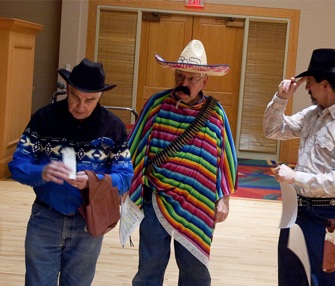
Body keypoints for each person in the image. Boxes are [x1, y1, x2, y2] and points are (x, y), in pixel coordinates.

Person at [8, 58, 134, 286]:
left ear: (101, 97)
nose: (81, 106)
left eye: (90, 100)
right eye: (75, 97)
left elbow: (125, 177)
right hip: (45, 217)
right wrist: (41, 171)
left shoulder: (113, 127)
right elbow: (17, 165)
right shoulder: (43, 119)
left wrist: (94, 181)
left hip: (88, 221)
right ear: (67, 89)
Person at [127, 39, 238, 286]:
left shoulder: (216, 113)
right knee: (149, 268)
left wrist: (224, 199)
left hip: (198, 204)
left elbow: (225, 157)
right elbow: (134, 147)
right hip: (156, 199)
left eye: (191, 79)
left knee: (195, 272)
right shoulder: (157, 104)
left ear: (204, 81)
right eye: (180, 77)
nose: (184, 84)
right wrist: (126, 187)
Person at [263, 48, 335, 285]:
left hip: (329, 217)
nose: (306, 87)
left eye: (310, 82)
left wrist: (296, 177)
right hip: (297, 213)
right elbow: (273, 130)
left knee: (327, 281)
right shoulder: (313, 115)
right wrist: (281, 98)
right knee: (292, 279)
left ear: (325, 85)